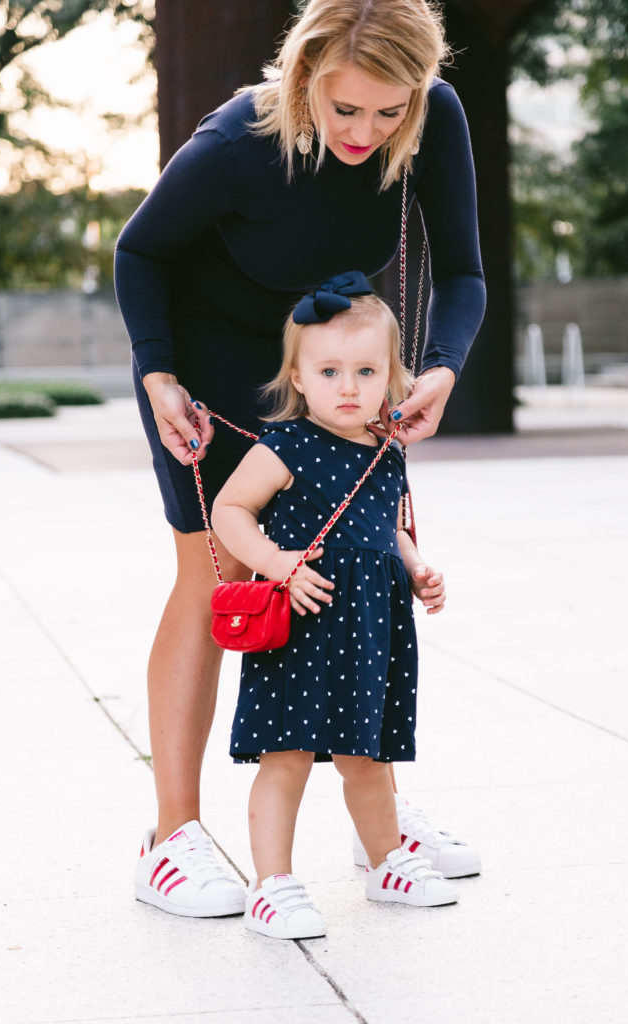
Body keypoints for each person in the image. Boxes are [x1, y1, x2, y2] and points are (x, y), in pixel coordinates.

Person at [117, 0, 486, 918]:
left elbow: (466, 271)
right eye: (345, 108)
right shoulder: (238, 141)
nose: (368, 131)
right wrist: (159, 376)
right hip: (205, 365)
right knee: (221, 574)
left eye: (389, 110)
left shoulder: (432, 114)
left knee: (356, 563)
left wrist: (440, 368)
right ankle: (170, 839)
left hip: (329, 362)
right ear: (306, 74)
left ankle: (378, 820)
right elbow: (140, 250)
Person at [211, 281, 458, 938]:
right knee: (285, 755)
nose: (347, 387)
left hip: (370, 630)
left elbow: (385, 527)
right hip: (301, 629)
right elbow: (227, 511)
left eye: (365, 371)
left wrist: (415, 568)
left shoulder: (387, 451)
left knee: (369, 760)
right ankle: (272, 886)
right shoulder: (283, 446)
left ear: (391, 377)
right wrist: (278, 562)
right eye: (328, 372)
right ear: (298, 375)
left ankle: (386, 864)